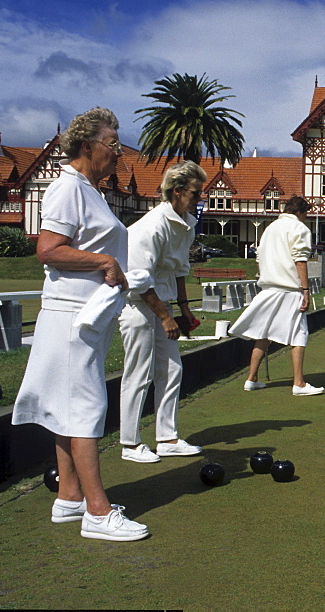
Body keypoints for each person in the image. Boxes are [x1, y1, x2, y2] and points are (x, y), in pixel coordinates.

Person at [12, 107, 148, 541]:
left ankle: (69, 497)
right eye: (113, 144)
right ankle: (97, 511)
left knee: (68, 407)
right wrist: (105, 260)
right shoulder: (67, 187)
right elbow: (49, 249)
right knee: (86, 407)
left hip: (86, 316)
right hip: (70, 315)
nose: (118, 154)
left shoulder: (91, 190)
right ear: (88, 145)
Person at [117, 160, 207, 464]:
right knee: (138, 373)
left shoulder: (186, 225)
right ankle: (130, 444)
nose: (200, 199)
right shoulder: (151, 228)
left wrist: (182, 310)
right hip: (138, 305)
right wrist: (166, 317)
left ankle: (167, 438)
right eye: (196, 194)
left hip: (162, 304)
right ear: (178, 192)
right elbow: (139, 280)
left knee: (171, 370)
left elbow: (179, 269)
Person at [229, 196, 324, 396]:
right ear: (300, 212)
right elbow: (300, 260)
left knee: (264, 334)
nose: (306, 219)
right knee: (299, 333)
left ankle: (251, 379)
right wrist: (306, 290)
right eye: (305, 214)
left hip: (268, 288)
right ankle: (298, 383)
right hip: (289, 289)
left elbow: (258, 258)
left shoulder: (269, 228)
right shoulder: (299, 228)